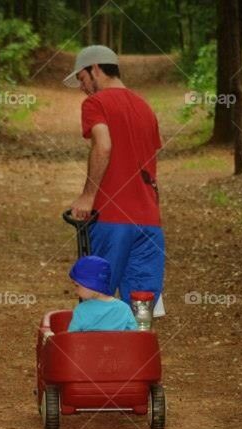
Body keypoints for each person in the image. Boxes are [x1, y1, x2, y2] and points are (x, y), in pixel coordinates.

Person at [64, 45, 165, 317]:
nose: (83, 88)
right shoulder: (145, 107)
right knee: (142, 303)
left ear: (95, 68)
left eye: (83, 79)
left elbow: (104, 145)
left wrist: (88, 196)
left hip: (111, 217)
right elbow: (148, 164)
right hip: (149, 222)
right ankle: (138, 354)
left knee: (98, 297)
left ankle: (99, 357)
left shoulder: (96, 104)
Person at [67, 256, 137, 332]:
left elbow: (71, 339)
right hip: (117, 344)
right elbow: (134, 335)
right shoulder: (124, 308)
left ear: (91, 284)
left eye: (77, 285)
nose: (75, 290)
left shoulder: (81, 310)